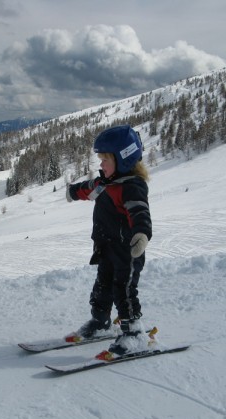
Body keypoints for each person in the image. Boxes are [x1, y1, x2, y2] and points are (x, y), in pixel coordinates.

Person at [66, 124, 152, 355]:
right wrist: (73, 192)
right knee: (102, 287)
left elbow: (140, 212)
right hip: (106, 247)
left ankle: (134, 333)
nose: (100, 165)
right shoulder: (104, 183)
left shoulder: (131, 187)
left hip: (128, 251)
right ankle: (101, 322)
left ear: (123, 159)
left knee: (123, 291)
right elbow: (88, 189)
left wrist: (141, 235)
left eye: (105, 159)